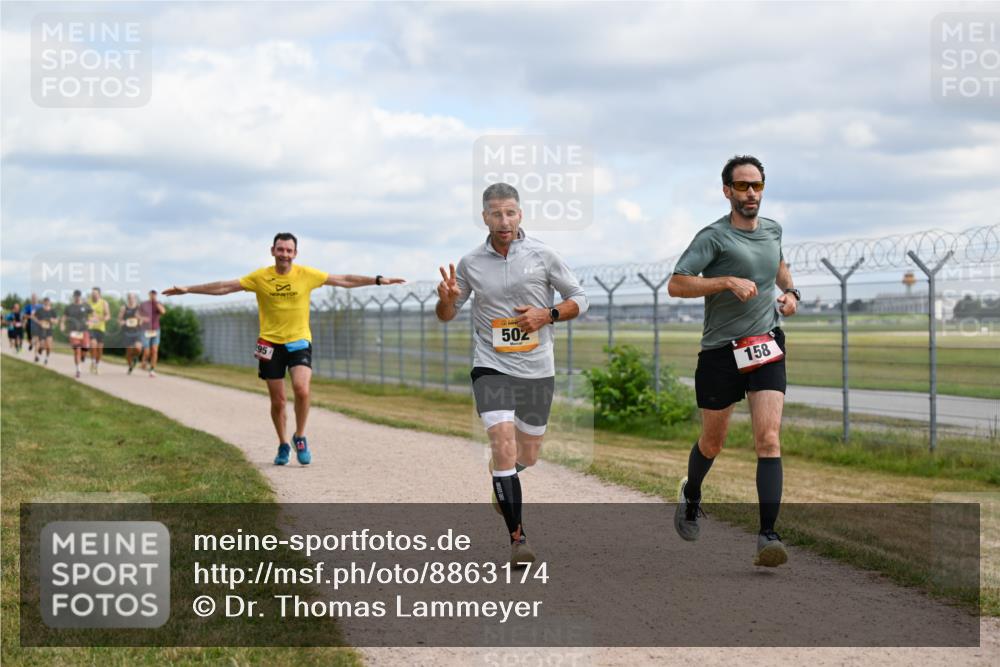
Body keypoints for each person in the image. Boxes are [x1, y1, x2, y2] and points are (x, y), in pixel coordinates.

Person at [435, 183, 588, 566]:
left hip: (537, 368)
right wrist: (446, 299)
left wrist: (546, 315)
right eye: (495, 214)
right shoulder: (471, 263)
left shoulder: (543, 254)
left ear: (520, 215)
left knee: (528, 455)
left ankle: (504, 480)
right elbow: (447, 314)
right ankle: (518, 539)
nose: (503, 221)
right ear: (484, 217)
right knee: (503, 445)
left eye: (510, 213)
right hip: (491, 364)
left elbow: (579, 299)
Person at [164, 232, 404, 466]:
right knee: (278, 400)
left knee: (301, 389)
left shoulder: (306, 275)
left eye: (289, 250)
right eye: (280, 250)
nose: (284, 254)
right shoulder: (260, 277)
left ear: (295, 253)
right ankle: (282, 443)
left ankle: (299, 436)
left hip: (299, 340)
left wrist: (377, 279)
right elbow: (224, 287)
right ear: (272, 251)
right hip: (269, 343)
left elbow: (344, 280)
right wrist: (188, 289)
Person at [667, 155, 800, 567]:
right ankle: (691, 494)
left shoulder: (774, 229)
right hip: (721, 353)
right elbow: (676, 284)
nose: (751, 193)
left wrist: (791, 293)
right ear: (727, 191)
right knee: (713, 442)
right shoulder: (714, 237)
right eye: (742, 186)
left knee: (769, 439)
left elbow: (777, 263)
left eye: (757, 185)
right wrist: (724, 280)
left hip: (766, 345)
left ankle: (768, 536)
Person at [61, 290, 93, 378]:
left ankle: (83, 356)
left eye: (78, 296)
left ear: (80, 296)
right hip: (74, 331)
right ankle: (78, 369)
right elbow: (64, 317)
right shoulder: (69, 307)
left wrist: (91, 321)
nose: (77, 297)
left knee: (85, 348)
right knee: (77, 350)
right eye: (76, 296)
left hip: (84, 330)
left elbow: (93, 314)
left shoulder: (86, 306)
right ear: (74, 296)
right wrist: (62, 324)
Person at [138, 290, 166, 377]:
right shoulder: (144, 304)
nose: (153, 295)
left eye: (154, 294)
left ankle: (152, 370)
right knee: (146, 351)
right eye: (151, 294)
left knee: (154, 350)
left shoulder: (158, 303)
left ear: (156, 295)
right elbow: (137, 314)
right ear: (149, 294)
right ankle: (144, 361)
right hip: (146, 330)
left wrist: (156, 304)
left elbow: (163, 312)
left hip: (155, 330)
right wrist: (142, 318)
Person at [118, 292, 144, 374]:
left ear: (135, 298)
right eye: (129, 298)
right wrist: (121, 322)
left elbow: (143, 318)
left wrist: (140, 321)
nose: (131, 299)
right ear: (128, 299)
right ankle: (130, 366)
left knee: (138, 348)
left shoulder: (139, 307)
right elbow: (119, 319)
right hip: (127, 332)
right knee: (128, 352)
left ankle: (135, 357)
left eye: (132, 298)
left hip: (137, 331)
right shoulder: (124, 308)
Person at [86, 287, 110, 374]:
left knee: (99, 349)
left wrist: (101, 318)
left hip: (100, 328)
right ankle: (92, 361)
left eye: (95, 294)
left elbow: (108, 316)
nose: (93, 295)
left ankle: (97, 364)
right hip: (91, 327)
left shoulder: (104, 303)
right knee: (93, 344)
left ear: (99, 294)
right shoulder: (87, 302)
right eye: (92, 294)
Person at [31, 297, 56, 364]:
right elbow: (33, 316)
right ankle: (39, 352)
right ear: (43, 302)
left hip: (49, 330)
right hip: (41, 329)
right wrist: (38, 322)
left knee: (49, 346)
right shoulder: (40, 310)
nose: (47, 303)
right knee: (41, 345)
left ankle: (46, 358)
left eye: (48, 302)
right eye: (45, 302)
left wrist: (53, 320)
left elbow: (56, 320)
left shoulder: (52, 311)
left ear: (50, 303)